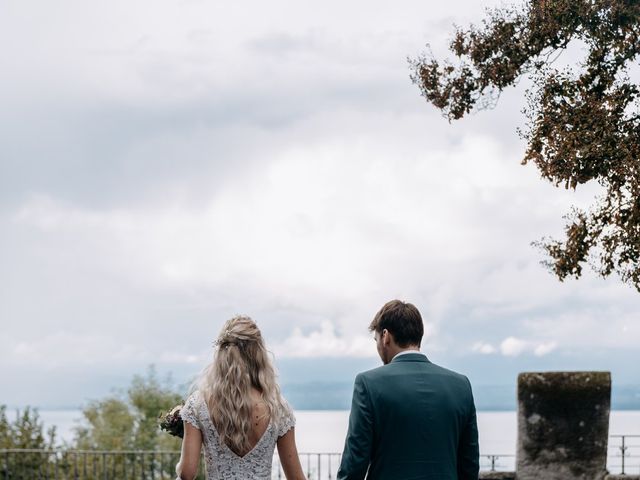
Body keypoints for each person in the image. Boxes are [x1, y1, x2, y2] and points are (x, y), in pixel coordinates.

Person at [337, 300, 479, 480]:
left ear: (386, 336)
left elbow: (354, 464)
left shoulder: (368, 383)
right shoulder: (461, 386)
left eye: (376, 339)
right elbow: (470, 466)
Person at [175, 315, 306, 480]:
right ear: (258, 353)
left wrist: (179, 464)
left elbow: (187, 473)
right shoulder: (278, 408)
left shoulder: (198, 403)